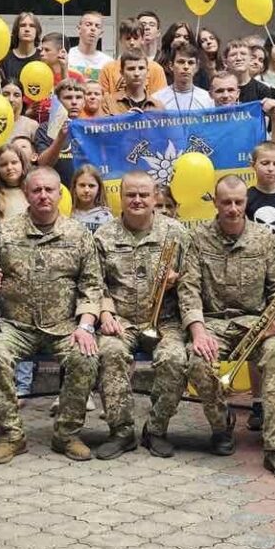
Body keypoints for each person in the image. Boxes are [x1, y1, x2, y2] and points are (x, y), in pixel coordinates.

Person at [0, 167, 106, 464]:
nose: (44, 196)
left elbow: (92, 286)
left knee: (85, 357)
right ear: (26, 194)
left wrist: (85, 326)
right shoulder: (4, 232)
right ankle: (11, 437)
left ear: (61, 194)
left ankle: (66, 434)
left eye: (50, 190)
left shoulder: (78, 234)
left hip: (63, 327)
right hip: (15, 325)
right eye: (37, 190)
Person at [179, 176, 275, 480]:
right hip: (213, 323)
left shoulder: (266, 239)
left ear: (246, 202)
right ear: (215, 203)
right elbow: (188, 288)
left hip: (256, 325)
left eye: (239, 202)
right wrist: (197, 331)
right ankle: (221, 427)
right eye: (226, 202)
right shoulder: (196, 238)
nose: (233, 209)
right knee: (198, 361)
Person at [93, 171, 194, 459]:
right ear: (120, 198)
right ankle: (121, 432)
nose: (137, 200)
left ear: (154, 199)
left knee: (175, 359)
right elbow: (94, 282)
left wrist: (179, 280)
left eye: (143, 195)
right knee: (110, 353)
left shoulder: (176, 233)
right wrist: (105, 313)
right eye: (130, 195)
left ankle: (157, 429)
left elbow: (194, 279)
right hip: (120, 319)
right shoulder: (104, 235)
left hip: (165, 321)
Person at [98, 18, 168, 99]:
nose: (132, 42)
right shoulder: (108, 69)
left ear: (142, 39)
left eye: (135, 38)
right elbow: (102, 100)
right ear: (121, 40)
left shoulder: (156, 69)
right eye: (128, 38)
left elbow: (162, 99)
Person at [153, 41, 213, 111]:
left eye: (191, 63)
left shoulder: (207, 99)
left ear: (197, 67)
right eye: (181, 62)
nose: (186, 67)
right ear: (171, 65)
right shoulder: (157, 99)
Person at [67, 11, 112, 80]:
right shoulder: (67, 56)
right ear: (79, 29)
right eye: (88, 24)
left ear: (101, 33)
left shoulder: (108, 62)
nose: (93, 28)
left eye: (97, 26)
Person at [1, 11, 43, 85]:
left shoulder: (43, 57)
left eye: (32, 26)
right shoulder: (5, 58)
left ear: (37, 31)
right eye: (23, 25)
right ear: (17, 30)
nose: (27, 29)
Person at [68, 165, 112, 231]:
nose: (86, 190)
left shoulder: (106, 217)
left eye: (91, 186)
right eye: (82, 185)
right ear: (75, 187)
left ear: (99, 189)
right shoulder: (67, 214)